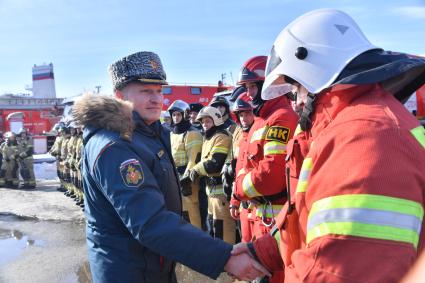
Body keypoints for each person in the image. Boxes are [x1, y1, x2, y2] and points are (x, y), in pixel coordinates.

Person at [233, 9, 425, 282]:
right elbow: (306, 218)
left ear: (314, 71)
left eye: (296, 87)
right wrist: (262, 253)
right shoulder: (346, 127)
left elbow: (337, 270)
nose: (296, 102)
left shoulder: (367, 137)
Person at [72, 51, 269, 283]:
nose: (157, 99)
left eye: (159, 90)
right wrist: (224, 256)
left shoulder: (150, 133)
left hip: (154, 265)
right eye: (146, 91)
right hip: (130, 272)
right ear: (119, 95)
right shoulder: (114, 146)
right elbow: (150, 222)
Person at [188, 106, 236, 244]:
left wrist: (195, 170)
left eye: (208, 121)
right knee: (214, 230)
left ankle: (229, 263)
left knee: (224, 234)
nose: (204, 124)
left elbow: (215, 163)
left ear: (216, 121)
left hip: (222, 195)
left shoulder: (221, 136)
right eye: (203, 122)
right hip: (212, 194)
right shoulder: (209, 138)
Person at [224, 94, 255, 243]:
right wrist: (234, 201)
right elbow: (239, 174)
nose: (243, 118)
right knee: (246, 243)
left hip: (258, 206)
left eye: (248, 113)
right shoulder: (242, 140)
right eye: (241, 114)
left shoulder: (258, 135)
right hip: (243, 205)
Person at [168, 99, 203, 229]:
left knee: (190, 209)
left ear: (185, 115)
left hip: (188, 179)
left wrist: (186, 179)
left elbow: (193, 159)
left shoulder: (192, 133)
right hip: (175, 178)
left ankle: (196, 241)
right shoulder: (172, 134)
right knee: (180, 211)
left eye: (178, 114)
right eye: (174, 115)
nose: (176, 118)